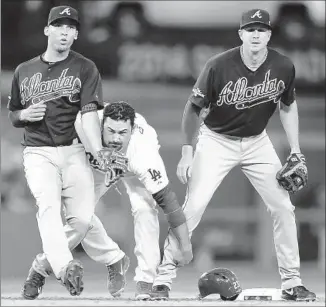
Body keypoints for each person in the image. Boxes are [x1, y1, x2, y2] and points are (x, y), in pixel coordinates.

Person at [151, 9, 316, 302]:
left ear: (269, 34)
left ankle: (292, 282)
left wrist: (296, 149)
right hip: (216, 141)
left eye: (261, 30)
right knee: (193, 208)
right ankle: (162, 279)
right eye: (250, 29)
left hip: (258, 142)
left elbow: (288, 105)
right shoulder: (219, 65)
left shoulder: (282, 66)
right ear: (240, 34)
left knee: (282, 207)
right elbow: (192, 109)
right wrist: (187, 151)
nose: (255, 34)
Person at [22, 101, 193, 300]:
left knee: (145, 209)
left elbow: (168, 202)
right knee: (80, 216)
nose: (115, 139)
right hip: (97, 163)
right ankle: (114, 258)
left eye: (123, 133)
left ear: (131, 131)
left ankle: (146, 280)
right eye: (110, 131)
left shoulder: (143, 153)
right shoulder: (83, 124)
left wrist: (186, 246)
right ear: (100, 125)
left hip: (129, 165)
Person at [7, 5, 108, 298]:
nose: (64, 31)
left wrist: (98, 151)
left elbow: (89, 114)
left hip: (74, 149)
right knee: (49, 208)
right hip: (38, 152)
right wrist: (25, 115)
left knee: (83, 220)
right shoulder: (24, 70)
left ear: (76, 34)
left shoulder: (85, 68)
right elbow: (13, 114)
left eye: (70, 27)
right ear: (47, 30)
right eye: (59, 26)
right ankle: (65, 268)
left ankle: (40, 268)